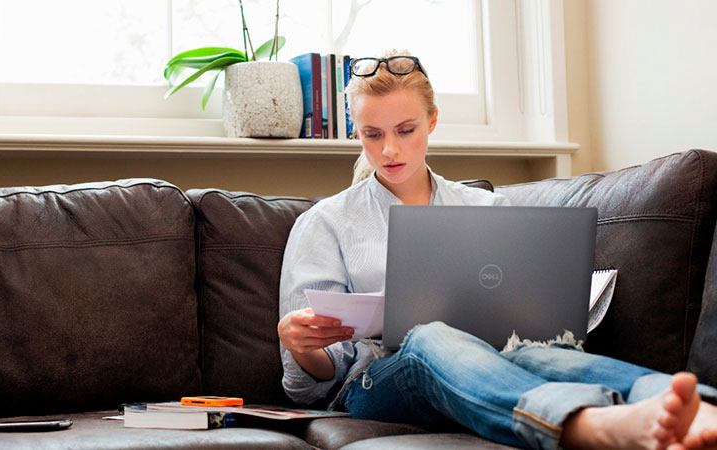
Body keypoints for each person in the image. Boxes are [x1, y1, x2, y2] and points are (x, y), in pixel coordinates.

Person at [277, 49, 717, 450]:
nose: (389, 149)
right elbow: (308, 387)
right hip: (380, 382)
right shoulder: (325, 223)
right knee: (429, 335)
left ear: (431, 122)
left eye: (405, 130)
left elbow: (527, 322)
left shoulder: (487, 208)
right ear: (357, 131)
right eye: (373, 134)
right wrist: (302, 346)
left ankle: (694, 407)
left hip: (492, 357)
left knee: (540, 351)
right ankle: (587, 425)